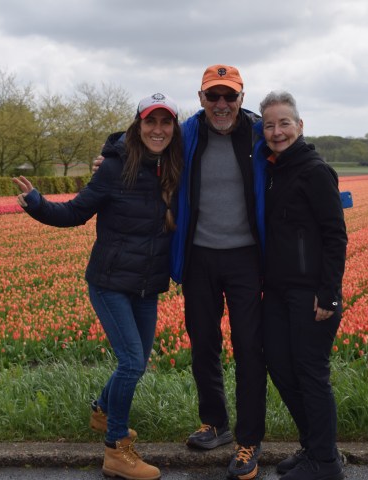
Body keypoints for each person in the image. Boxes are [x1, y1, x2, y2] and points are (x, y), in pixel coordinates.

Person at [94, 65, 267, 480]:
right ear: (201, 98)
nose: (221, 105)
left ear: (242, 99)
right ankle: (215, 423)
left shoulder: (260, 135)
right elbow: (143, 136)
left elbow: (296, 148)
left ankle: (249, 440)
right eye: (213, 97)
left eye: (230, 97)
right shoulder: (188, 133)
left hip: (247, 258)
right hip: (199, 257)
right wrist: (109, 151)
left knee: (249, 348)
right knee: (203, 343)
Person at [13, 92, 183, 480]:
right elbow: (74, 212)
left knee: (137, 363)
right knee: (131, 362)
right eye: (150, 121)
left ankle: (103, 412)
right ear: (138, 126)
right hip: (110, 282)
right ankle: (116, 450)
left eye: (166, 122)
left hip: (147, 284)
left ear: (174, 128)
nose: (158, 129)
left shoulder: (176, 168)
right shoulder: (113, 169)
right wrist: (36, 203)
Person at [253, 90, 347, 480]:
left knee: (310, 372)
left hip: (311, 294)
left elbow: (334, 236)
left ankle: (325, 463)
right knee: (279, 365)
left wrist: (328, 293)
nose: (277, 132)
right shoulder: (273, 170)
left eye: (284, 123)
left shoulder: (315, 170)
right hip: (277, 292)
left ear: (300, 125)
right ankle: (315, 446)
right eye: (270, 125)